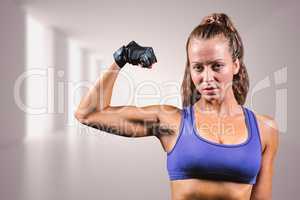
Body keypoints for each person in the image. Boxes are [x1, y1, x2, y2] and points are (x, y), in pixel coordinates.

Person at [75, 13, 279, 200]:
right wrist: (121, 59)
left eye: (217, 66)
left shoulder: (264, 129)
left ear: (236, 65)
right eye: (198, 67)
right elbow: (88, 114)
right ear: (190, 69)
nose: (207, 78)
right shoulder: (171, 121)